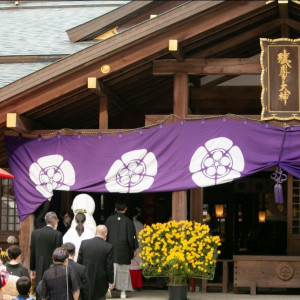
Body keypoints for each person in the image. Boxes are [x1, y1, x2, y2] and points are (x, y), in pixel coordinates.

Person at [105, 200, 138, 299]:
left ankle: (108, 289)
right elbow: (131, 237)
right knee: (123, 271)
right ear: (125, 209)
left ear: (115, 209)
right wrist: (133, 249)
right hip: (124, 250)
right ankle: (122, 293)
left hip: (110, 249)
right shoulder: (128, 221)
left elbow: (105, 234)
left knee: (110, 270)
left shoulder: (109, 220)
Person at [30, 211, 62, 299]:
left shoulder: (35, 233)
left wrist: (32, 268)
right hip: (52, 266)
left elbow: (32, 251)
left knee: (40, 290)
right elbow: (58, 254)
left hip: (39, 265)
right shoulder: (57, 234)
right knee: (52, 290)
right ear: (54, 221)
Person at [77, 225, 114, 300]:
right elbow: (109, 266)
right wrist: (111, 281)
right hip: (101, 279)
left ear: (95, 232)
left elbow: (79, 262)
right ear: (105, 234)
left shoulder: (84, 243)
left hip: (86, 276)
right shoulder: (108, 247)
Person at [129, 208, 143, 290]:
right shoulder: (140, 224)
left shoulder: (127, 223)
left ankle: (130, 285)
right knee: (136, 267)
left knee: (130, 267)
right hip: (138, 247)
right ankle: (137, 285)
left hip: (129, 247)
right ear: (136, 215)